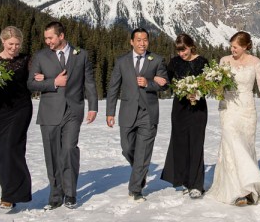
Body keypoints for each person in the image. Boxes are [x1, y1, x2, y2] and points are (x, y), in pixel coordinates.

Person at [28, 21, 98, 210]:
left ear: (61, 36)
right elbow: (31, 84)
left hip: (73, 111)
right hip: (49, 112)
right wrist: (53, 82)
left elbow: (89, 82)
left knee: (68, 149)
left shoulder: (80, 55)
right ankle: (55, 195)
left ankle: (70, 193)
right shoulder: (41, 56)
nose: (47, 41)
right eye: (45, 38)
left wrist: (93, 107)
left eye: (50, 37)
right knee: (52, 154)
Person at [207, 31, 260, 206]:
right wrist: (215, 87)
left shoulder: (255, 62)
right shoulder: (224, 61)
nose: (232, 50)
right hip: (229, 108)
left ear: (246, 46)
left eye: (236, 47)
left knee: (245, 146)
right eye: (231, 46)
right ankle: (237, 191)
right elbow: (218, 86)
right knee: (232, 144)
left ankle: (249, 190)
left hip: (247, 109)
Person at [106, 28, 168, 202]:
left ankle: (136, 189)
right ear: (132, 42)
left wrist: (149, 83)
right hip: (127, 113)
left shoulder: (156, 60)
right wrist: (110, 112)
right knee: (127, 149)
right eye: (138, 40)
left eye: (145, 40)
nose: (142, 43)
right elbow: (113, 88)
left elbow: (164, 84)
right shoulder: (121, 61)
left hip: (148, 113)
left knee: (143, 152)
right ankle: (140, 170)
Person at [0, 26, 32, 210]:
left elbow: (33, 81)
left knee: (13, 148)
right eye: (11, 44)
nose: (14, 47)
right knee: (2, 153)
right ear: (3, 42)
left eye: (17, 44)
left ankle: (15, 193)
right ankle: (7, 195)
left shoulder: (26, 60)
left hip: (21, 109)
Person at [161, 34, 208, 199]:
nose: (181, 54)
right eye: (179, 50)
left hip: (198, 109)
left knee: (196, 143)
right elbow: (167, 83)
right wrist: (160, 82)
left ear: (191, 46)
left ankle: (197, 185)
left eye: (184, 50)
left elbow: (208, 85)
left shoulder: (202, 62)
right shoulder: (174, 62)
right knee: (180, 143)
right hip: (179, 108)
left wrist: (199, 94)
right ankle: (186, 181)